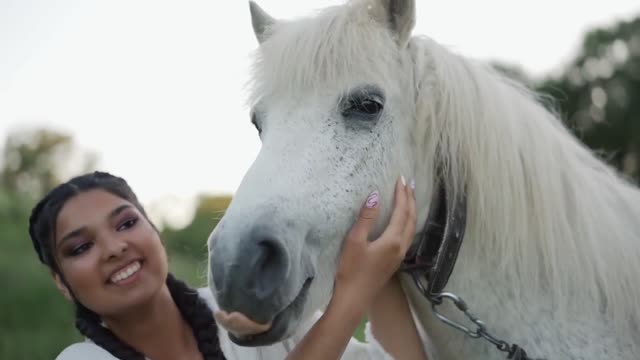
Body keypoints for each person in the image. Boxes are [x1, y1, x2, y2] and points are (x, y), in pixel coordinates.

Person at [28, 171, 429, 360]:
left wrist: (379, 256)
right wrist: (351, 294)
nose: (115, 247)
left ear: (155, 231)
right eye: (80, 248)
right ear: (61, 282)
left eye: (127, 223)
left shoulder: (248, 312)